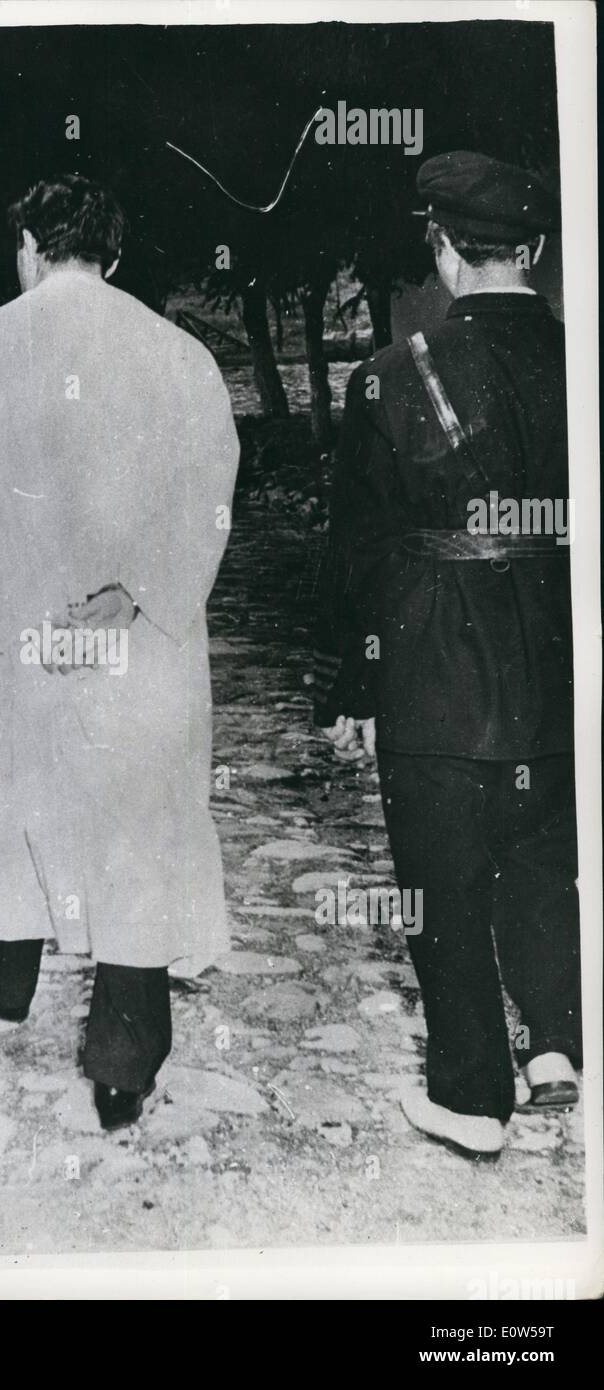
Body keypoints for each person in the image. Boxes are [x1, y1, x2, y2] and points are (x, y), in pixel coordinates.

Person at [0, 174, 239, 1130]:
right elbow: (209, 498)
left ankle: (9, 975)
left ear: (27, 245)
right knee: (135, 829)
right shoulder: (179, 355)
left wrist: (18, 616)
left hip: (9, 643)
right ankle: (122, 1068)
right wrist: (138, 594)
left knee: (9, 803)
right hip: (131, 648)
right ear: (115, 254)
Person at [313, 151, 579, 1158]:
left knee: (443, 871)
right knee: (546, 847)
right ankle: (556, 1042)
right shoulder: (581, 361)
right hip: (556, 645)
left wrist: (350, 683)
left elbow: (358, 551)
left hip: (434, 655)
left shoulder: (388, 378)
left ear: (444, 252)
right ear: (536, 250)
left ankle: (471, 1096)